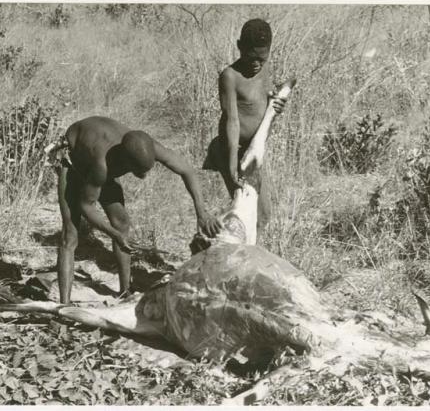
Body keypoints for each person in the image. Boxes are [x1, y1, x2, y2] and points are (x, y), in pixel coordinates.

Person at [51, 116, 222, 303]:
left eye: (147, 169)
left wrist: (202, 212)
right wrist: (112, 233)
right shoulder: (102, 165)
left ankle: (125, 292)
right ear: (125, 161)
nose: (144, 175)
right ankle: (63, 306)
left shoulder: (148, 146)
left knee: (122, 223)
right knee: (70, 235)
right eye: (139, 170)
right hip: (73, 161)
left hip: (98, 163)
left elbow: (186, 170)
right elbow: (86, 205)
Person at [203, 18, 287, 235]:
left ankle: (228, 244)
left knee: (262, 214)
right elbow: (231, 119)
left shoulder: (266, 69)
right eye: (251, 58)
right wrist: (232, 164)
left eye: (262, 58)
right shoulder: (230, 76)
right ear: (240, 47)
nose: (256, 64)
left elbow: (265, 106)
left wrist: (277, 104)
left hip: (252, 152)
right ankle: (213, 242)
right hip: (231, 150)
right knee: (249, 212)